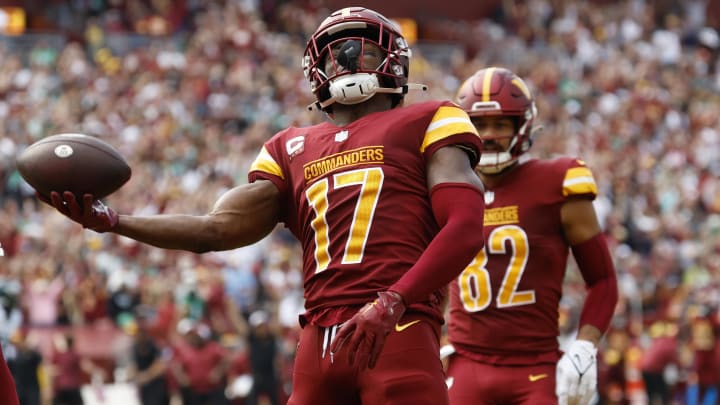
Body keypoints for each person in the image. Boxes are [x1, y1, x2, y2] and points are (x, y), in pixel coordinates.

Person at [40, 6, 486, 405]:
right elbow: (215, 230)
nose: (347, 62)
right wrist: (114, 222)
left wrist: (393, 301)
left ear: (394, 63)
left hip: (397, 329)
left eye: (362, 51)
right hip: (318, 341)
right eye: (336, 54)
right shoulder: (290, 146)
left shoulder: (429, 118)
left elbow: (465, 227)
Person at [442, 67, 619, 405]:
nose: (489, 134)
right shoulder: (444, 187)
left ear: (522, 126)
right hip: (466, 363)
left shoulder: (557, 182)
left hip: (534, 368)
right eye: (479, 125)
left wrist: (584, 345)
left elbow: (603, 280)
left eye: (501, 124)